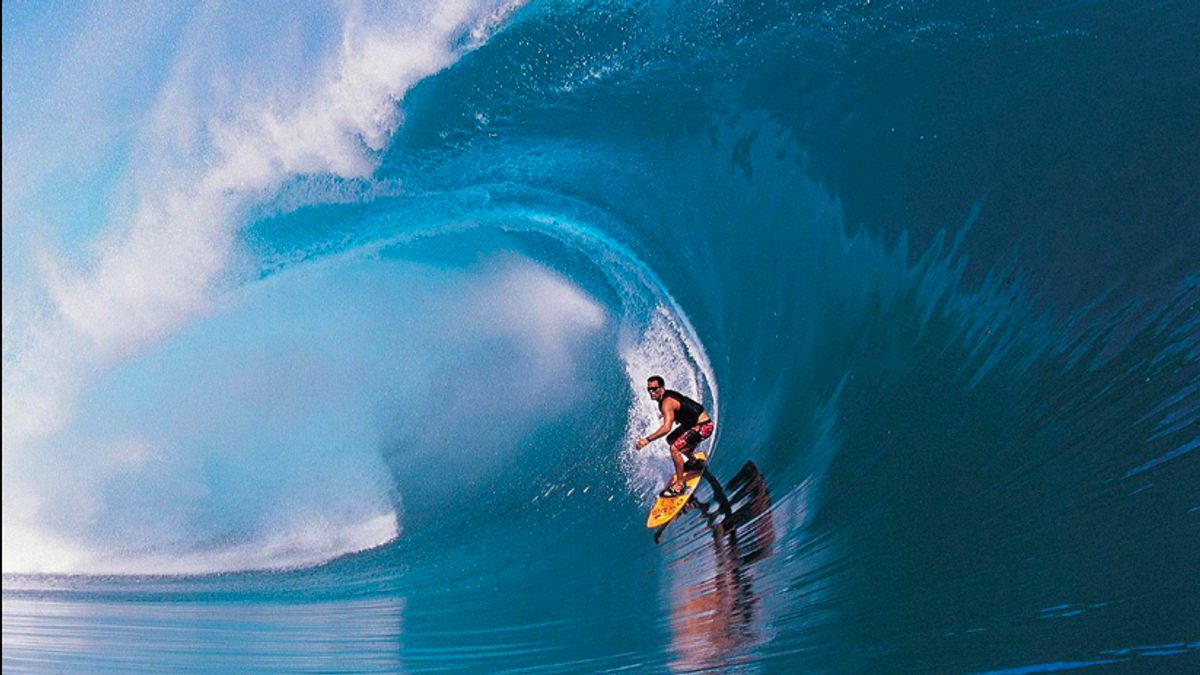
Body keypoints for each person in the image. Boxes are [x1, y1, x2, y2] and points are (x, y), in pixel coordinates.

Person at [635, 375, 714, 497]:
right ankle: (694, 462)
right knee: (671, 439)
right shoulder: (664, 398)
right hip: (692, 425)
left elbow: (666, 428)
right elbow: (678, 407)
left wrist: (647, 440)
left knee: (674, 449)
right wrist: (665, 414)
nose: (651, 392)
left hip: (704, 426)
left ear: (662, 388)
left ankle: (680, 485)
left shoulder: (666, 403)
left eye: (654, 389)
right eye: (649, 389)